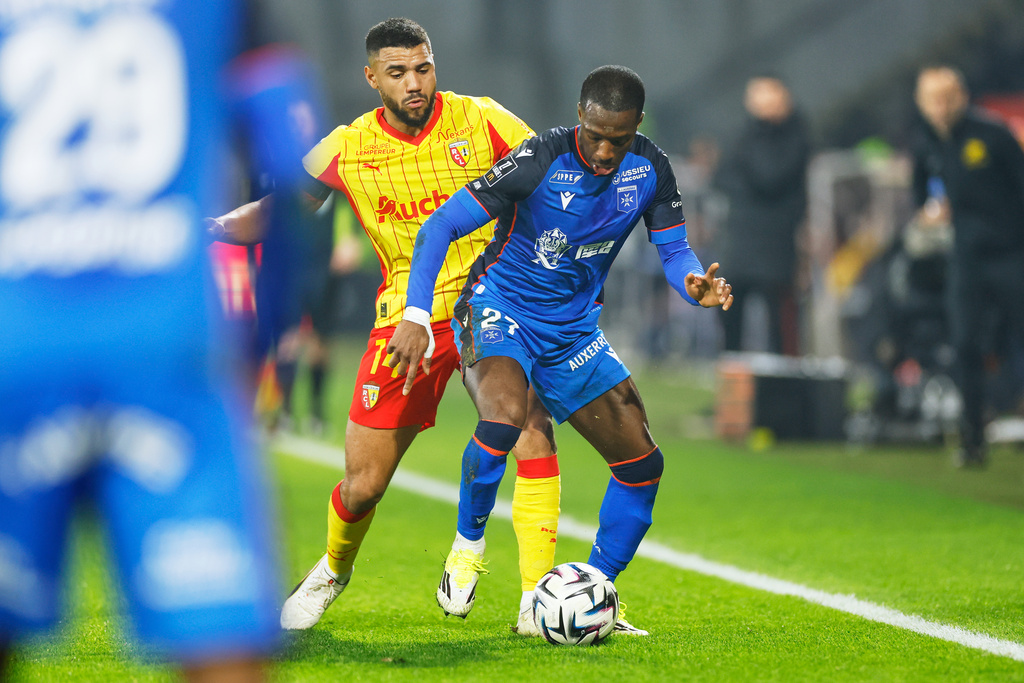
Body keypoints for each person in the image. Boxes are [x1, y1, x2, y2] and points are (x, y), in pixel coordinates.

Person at [214, 18, 562, 636]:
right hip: (404, 319)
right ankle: (332, 572)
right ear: (371, 77)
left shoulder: (482, 120)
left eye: (423, 68)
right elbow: (280, 210)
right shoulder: (346, 147)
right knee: (363, 484)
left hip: (491, 304)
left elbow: (553, 176)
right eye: (398, 72)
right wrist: (206, 227)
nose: (414, 83)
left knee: (529, 425)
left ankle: (536, 598)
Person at [0, 1, 300, 680]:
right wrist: (256, 346)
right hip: (164, 338)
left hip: (12, 336)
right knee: (220, 643)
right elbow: (291, 163)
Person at [387, 65, 734, 636]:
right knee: (503, 419)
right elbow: (439, 227)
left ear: (636, 127)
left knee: (642, 465)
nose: (603, 150)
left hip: (571, 331)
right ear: (580, 116)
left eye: (617, 139)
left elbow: (675, 253)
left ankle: (591, 595)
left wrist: (694, 284)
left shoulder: (651, 168)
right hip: (499, 307)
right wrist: (418, 316)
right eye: (595, 134)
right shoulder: (538, 159)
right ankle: (467, 545)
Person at [911, 65, 1024, 467]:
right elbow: (920, 194)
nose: (939, 107)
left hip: (1011, 255)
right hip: (967, 260)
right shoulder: (926, 145)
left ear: (961, 97)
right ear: (921, 104)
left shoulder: (992, 134)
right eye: (931, 100)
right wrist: (929, 213)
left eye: (946, 98)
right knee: (964, 344)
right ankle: (973, 439)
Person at [714, 75, 809, 355]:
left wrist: (745, 180)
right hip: (740, 242)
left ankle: (782, 392)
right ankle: (733, 386)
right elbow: (720, 177)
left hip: (777, 244)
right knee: (730, 313)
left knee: (780, 325)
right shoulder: (742, 135)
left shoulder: (796, 137)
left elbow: (769, 175)